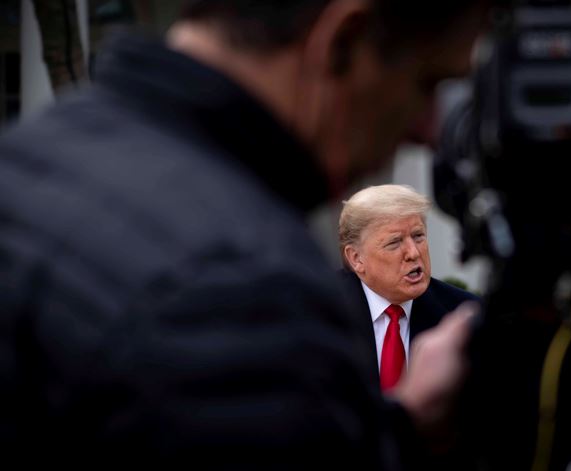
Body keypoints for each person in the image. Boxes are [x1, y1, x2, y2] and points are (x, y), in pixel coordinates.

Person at [0, 0, 496, 468]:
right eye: (426, 83)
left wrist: (402, 424)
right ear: (342, 43)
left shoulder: (29, 157)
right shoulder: (244, 284)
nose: (427, 131)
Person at [338, 184, 480, 391]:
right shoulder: (319, 310)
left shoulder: (462, 315)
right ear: (356, 258)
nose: (413, 252)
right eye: (394, 243)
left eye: (418, 236)